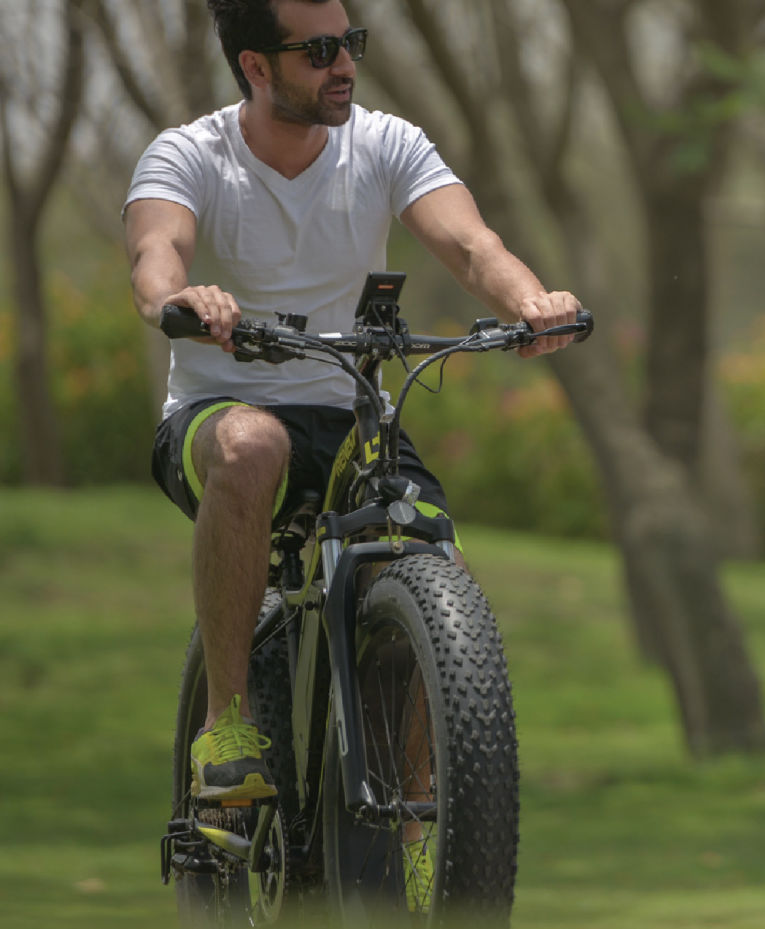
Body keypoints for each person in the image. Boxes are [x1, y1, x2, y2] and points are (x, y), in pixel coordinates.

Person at [123, 0, 581, 815]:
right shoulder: (191, 155)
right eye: (321, 50)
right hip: (218, 415)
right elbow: (156, 255)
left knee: (442, 572)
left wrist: (531, 300)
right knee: (253, 445)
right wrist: (180, 297)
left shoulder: (386, 143)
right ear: (256, 67)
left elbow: (473, 245)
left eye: (352, 44)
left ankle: (422, 829)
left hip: (349, 420)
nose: (345, 66)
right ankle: (226, 728)